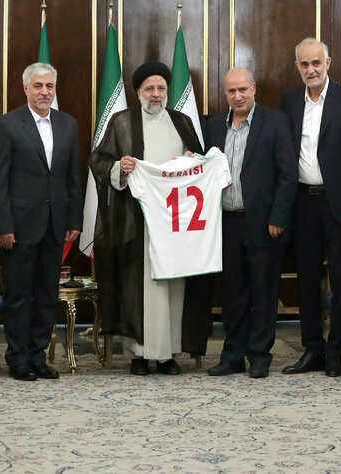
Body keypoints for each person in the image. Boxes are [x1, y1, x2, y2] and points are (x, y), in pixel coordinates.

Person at [90, 61, 208, 376]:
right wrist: (121, 167)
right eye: (149, 89)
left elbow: (200, 162)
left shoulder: (182, 121)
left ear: (167, 92)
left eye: (161, 88)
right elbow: (99, 161)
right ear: (138, 92)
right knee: (140, 287)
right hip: (137, 221)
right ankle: (139, 355)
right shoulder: (122, 122)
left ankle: (168, 354)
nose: (156, 94)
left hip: (175, 224)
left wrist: (192, 160)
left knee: (172, 287)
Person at [279, 38, 341, 377]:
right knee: (306, 280)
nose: (311, 70)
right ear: (297, 67)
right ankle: (312, 349)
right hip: (302, 203)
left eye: (316, 63)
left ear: (328, 63)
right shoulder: (290, 100)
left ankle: (336, 352)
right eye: (304, 64)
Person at [0, 62, 82, 381]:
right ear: (26, 88)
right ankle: (18, 358)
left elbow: (73, 177)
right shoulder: (7, 125)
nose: (44, 92)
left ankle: (38, 356)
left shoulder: (68, 124)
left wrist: (74, 219)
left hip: (56, 225)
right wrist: (4, 226)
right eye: (38, 86)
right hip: (19, 227)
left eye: (49, 86)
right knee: (19, 295)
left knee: (46, 295)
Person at [203, 68, 297, 379]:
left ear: (254, 89)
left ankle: (259, 356)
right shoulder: (214, 125)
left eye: (243, 89)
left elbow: (288, 174)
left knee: (263, 293)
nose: (238, 96)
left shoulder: (275, 122)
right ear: (225, 94)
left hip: (264, 224)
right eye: (232, 91)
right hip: (227, 223)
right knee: (232, 294)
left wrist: (278, 217)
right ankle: (232, 356)